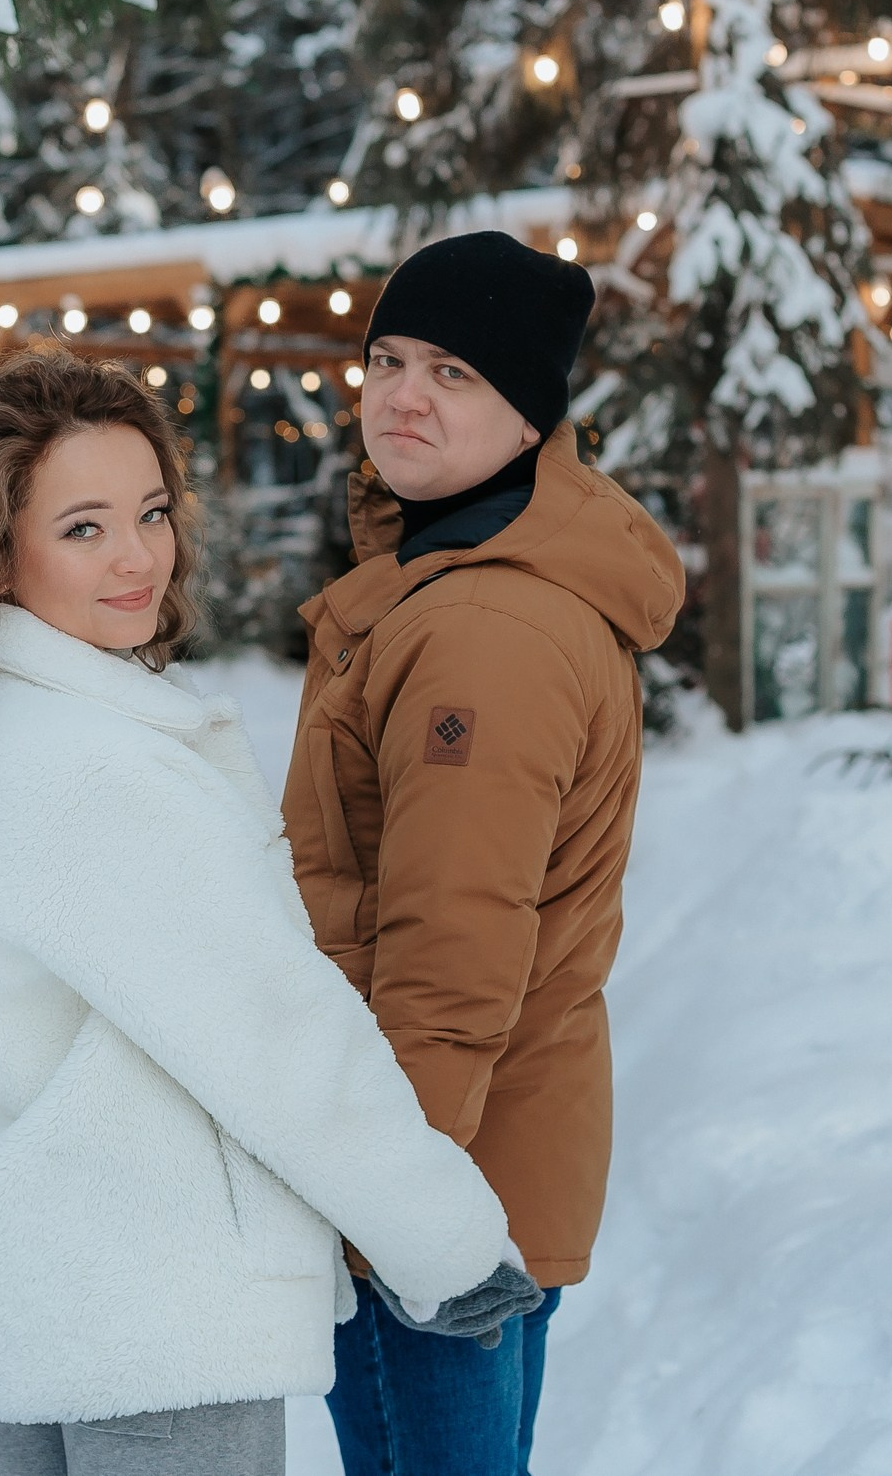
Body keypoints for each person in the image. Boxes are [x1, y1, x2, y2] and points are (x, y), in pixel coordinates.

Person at [0, 346, 536, 1476]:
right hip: (148, 1313)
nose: (137, 557)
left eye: (151, 512)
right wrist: (445, 1239)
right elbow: (276, 1034)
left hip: (27, 1304)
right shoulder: (98, 770)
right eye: (83, 527)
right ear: (0, 555)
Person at [282, 231, 686, 1476]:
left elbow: (454, 942)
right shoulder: (462, 572)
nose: (399, 394)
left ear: (529, 412)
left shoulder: (483, 623)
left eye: (453, 372)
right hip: (487, 1158)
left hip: (440, 1185)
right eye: (386, 358)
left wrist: (393, 1209)